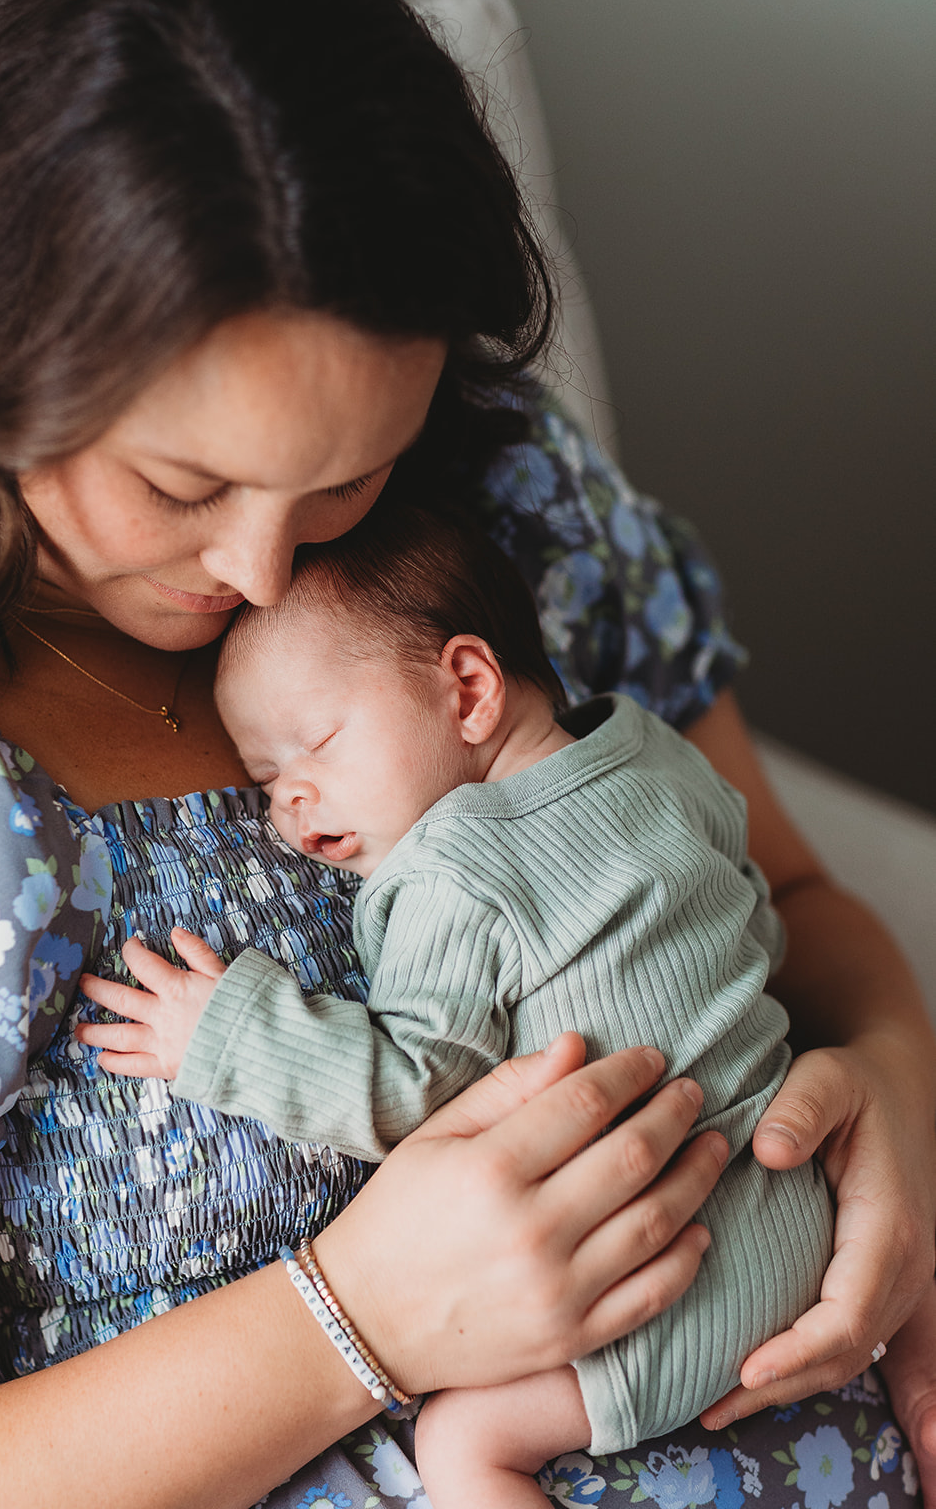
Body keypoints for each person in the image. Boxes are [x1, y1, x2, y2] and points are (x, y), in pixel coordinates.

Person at [0, 0, 932, 1509]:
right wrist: (352, 1324)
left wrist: (903, 1091)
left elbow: (777, 894)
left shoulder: (501, 517)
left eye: (345, 476)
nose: (255, 567)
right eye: (181, 484)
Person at [75, 504, 835, 1502]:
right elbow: (754, 921)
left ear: (466, 687)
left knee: (464, 1440)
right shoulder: (651, 754)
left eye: (314, 746)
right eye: (264, 780)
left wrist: (225, 1032)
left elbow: (415, 1086)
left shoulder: (449, 869)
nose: (288, 802)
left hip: (664, 1271)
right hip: (803, 1216)